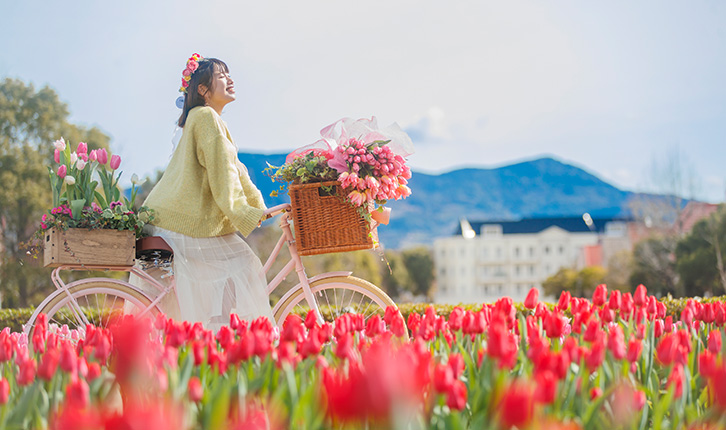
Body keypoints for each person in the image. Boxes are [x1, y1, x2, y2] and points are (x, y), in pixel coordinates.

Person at [135, 54, 275, 328]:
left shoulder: (202, 119)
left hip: (167, 219)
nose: (230, 80)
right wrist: (245, 214)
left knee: (226, 273)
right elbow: (223, 178)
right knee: (245, 264)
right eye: (222, 76)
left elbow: (235, 171)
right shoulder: (206, 118)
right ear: (202, 89)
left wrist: (259, 208)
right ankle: (222, 334)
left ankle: (213, 333)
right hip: (178, 222)